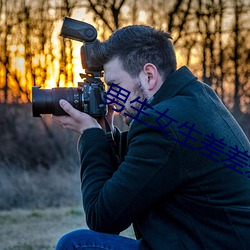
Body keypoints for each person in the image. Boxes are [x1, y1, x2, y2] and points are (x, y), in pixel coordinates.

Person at [53, 25, 250, 250]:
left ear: (149, 75)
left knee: (76, 244)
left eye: (115, 86)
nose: (111, 99)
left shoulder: (161, 124)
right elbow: (140, 172)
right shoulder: (195, 97)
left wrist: (90, 135)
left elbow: (103, 219)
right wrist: (105, 134)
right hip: (216, 240)